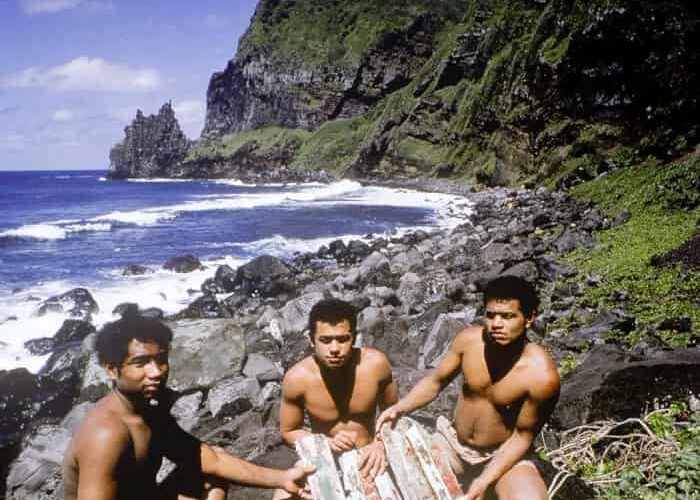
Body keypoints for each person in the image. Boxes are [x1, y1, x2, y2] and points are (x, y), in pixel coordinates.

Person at [63, 314, 313, 500]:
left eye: (160, 360)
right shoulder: (106, 435)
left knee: (213, 467)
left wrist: (282, 478)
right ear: (111, 369)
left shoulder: (148, 410)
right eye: (140, 363)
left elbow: (210, 460)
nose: (156, 372)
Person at [376, 276, 560, 500]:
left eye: (508, 316)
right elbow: (435, 382)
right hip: (452, 442)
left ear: (529, 318)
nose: (496, 324)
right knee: (390, 475)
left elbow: (523, 436)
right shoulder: (469, 341)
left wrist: (483, 481)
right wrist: (399, 408)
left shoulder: (541, 375)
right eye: (490, 315)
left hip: (502, 454)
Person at [275, 298, 399, 498]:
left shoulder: (376, 365)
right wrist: (323, 441)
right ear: (311, 339)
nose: (334, 349)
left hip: (370, 454)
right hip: (324, 456)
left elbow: (394, 413)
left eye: (342, 339)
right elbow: (289, 431)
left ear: (354, 337)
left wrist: (380, 443)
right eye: (325, 340)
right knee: (283, 493)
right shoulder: (297, 378)